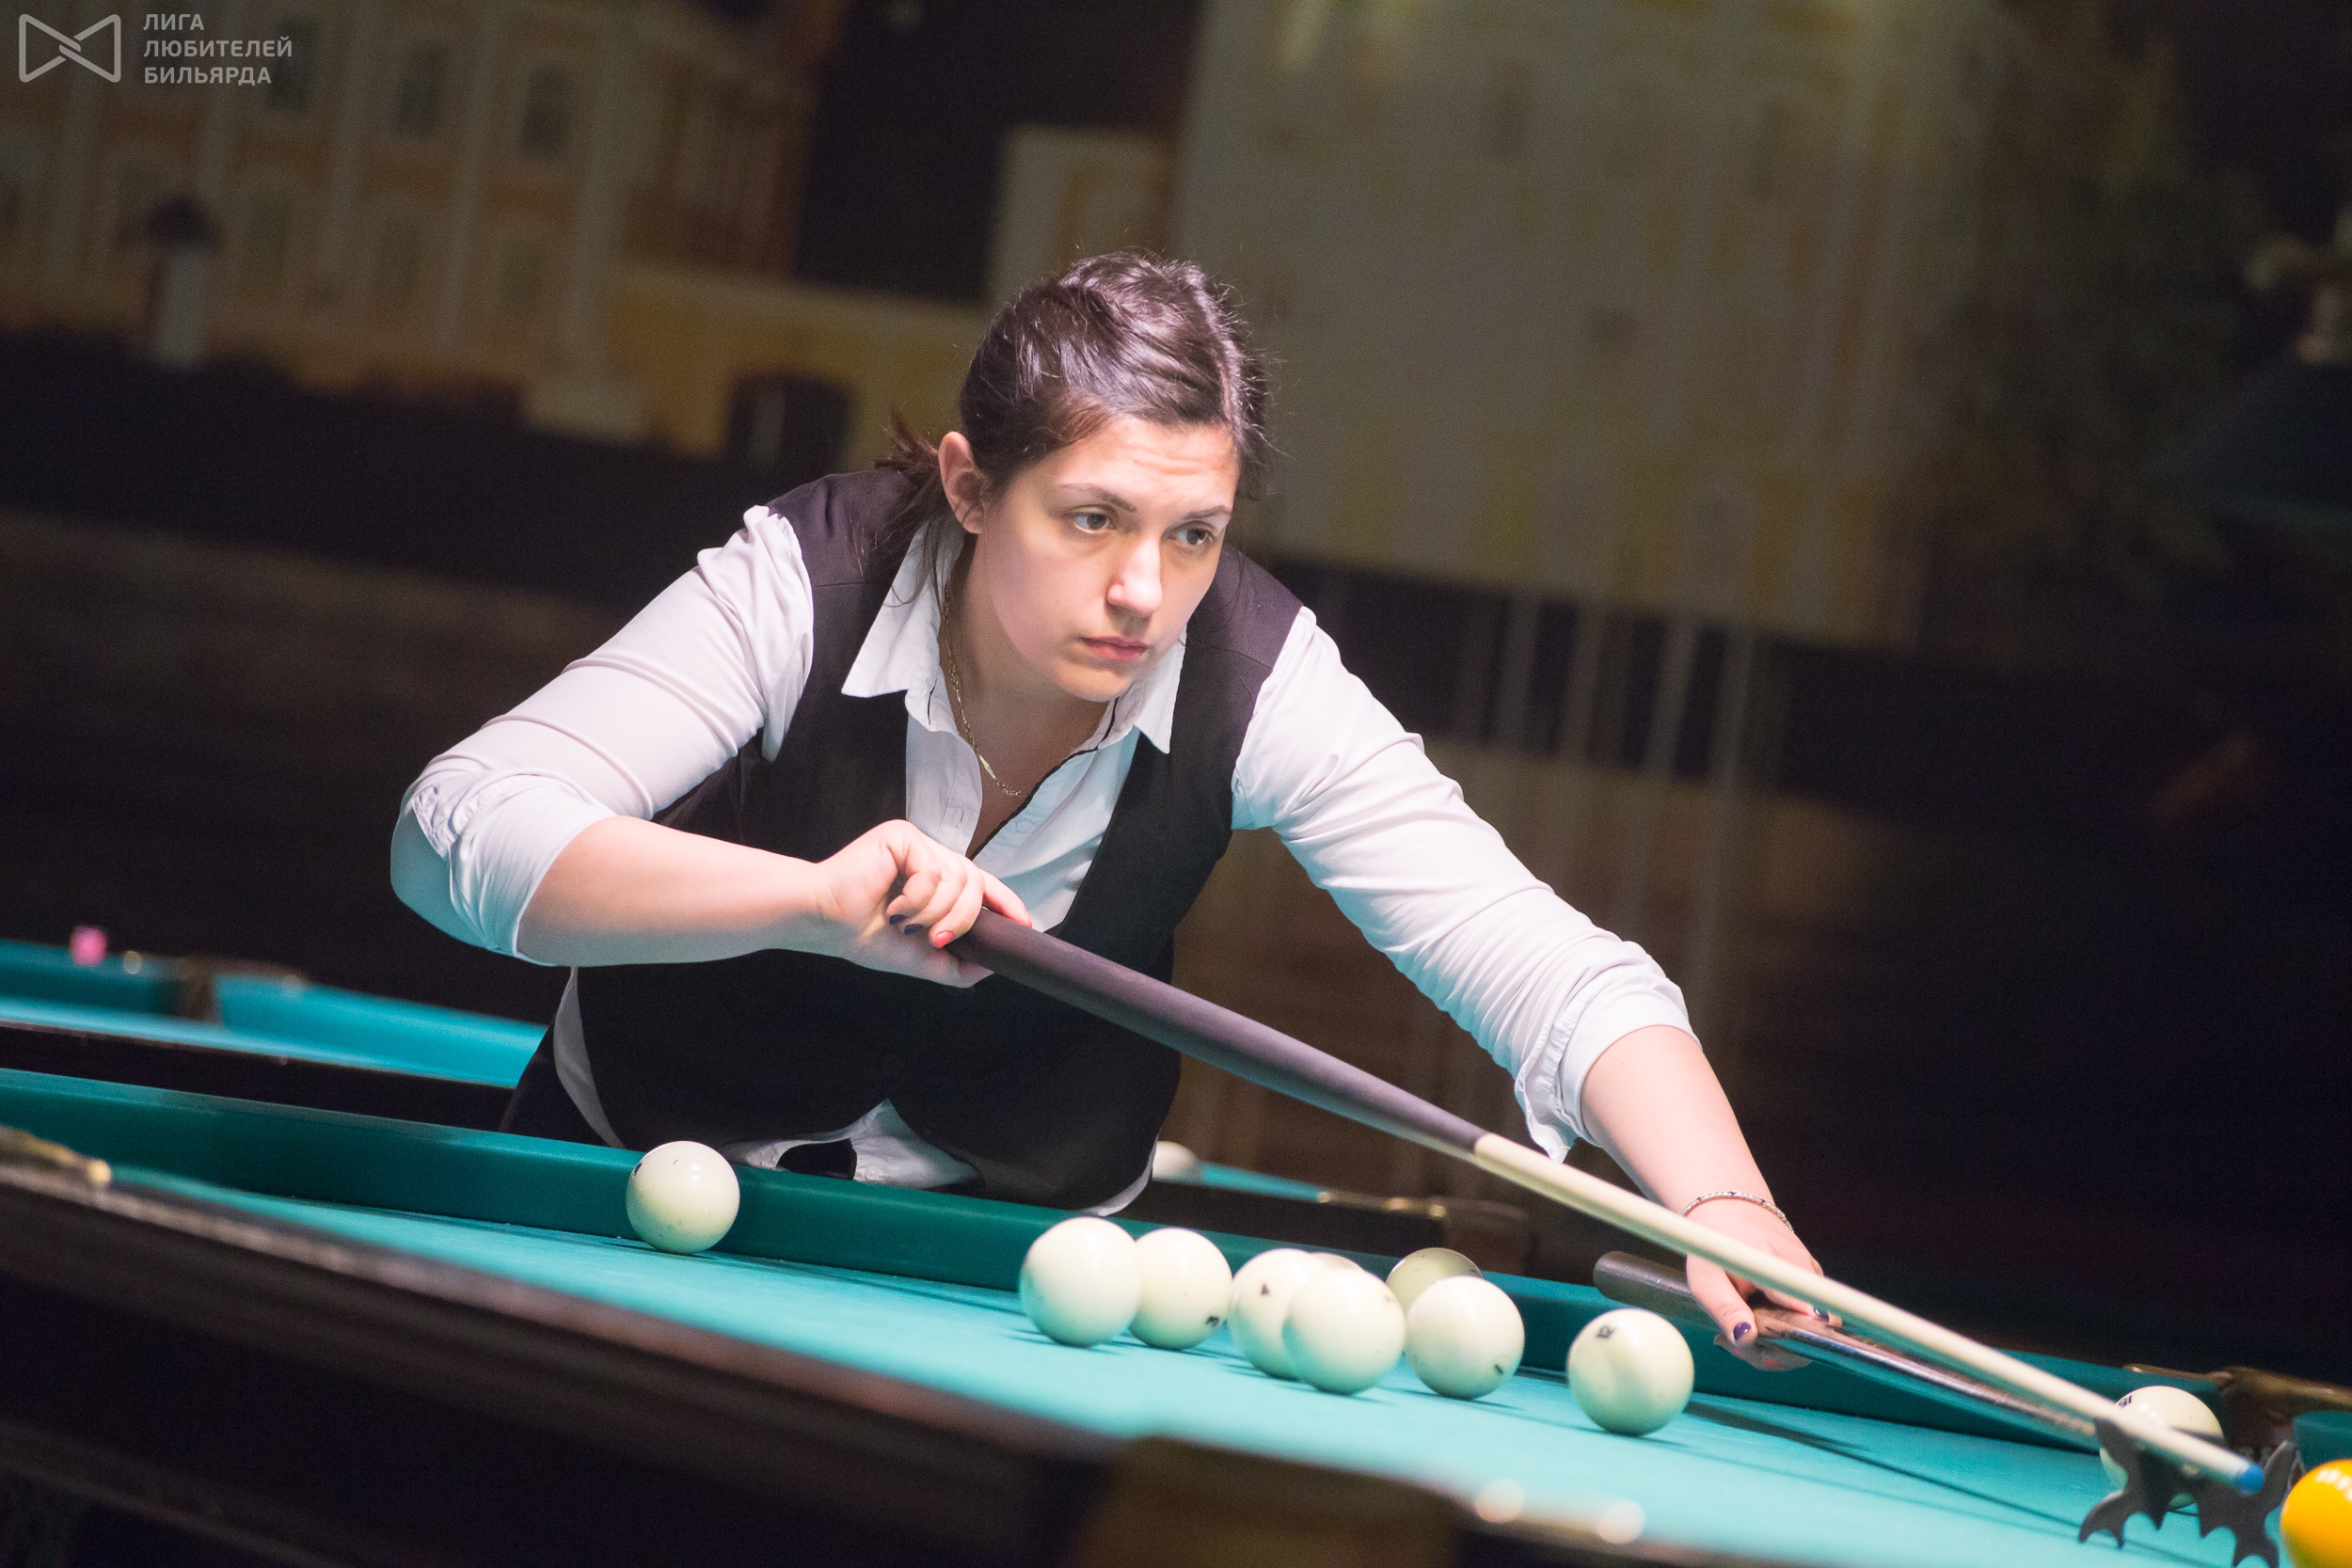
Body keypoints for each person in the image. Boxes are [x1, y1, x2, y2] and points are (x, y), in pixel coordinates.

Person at [392, 252, 1820, 1364]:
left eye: (1194, 534)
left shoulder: (1257, 674)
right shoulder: (800, 584)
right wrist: (809, 903)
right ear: (971, 485)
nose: (1146, 591)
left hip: (1021, 1296)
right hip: (620, 1195)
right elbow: (453, 828)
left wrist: (1723, 1204)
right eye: (1092, 519)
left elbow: (1550, 968)